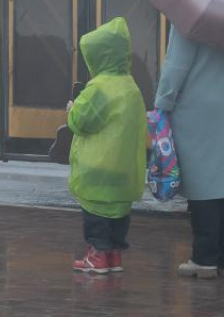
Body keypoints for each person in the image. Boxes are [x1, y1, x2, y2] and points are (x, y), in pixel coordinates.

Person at [154, 25, 224, 279]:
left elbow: (177, 65)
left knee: (203, 184)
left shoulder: (192, 17)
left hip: (199, 108)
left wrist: (162, 103)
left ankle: (204, 258)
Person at [67, 17, 147, 274]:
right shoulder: (131, 87)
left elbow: (80, 121)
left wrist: (72, 109)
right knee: (118, 213)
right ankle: (113, 256)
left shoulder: (99, 89)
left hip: (98, 167)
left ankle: (98, 256)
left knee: (96, 214)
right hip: (124, 169)